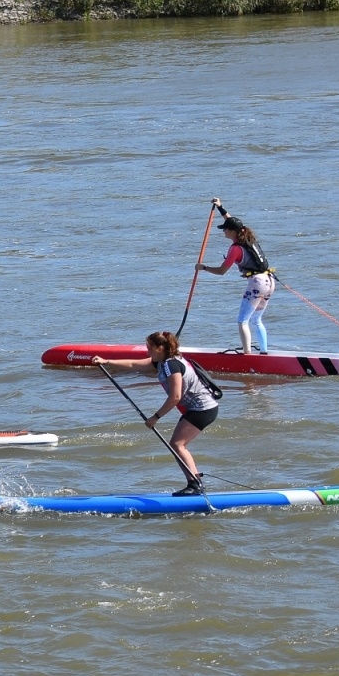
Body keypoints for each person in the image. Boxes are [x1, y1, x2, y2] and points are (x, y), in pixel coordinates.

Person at [93, 331, 219, 495]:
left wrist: (155, 417)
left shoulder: (171, 365)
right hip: (200, 408)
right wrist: (106, 361)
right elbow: (133, 364)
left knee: (177, 445)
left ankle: (195, 485)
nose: (147, 351)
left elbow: (175, 396)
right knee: (178, 445)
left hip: (202, 409)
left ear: (161, 348)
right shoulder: (163, 362)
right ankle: (195, 483)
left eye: (150, 348)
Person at [198, 198, 275, 354]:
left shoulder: (235, 249)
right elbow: (231, 221)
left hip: (257, 284)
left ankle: (247, 355)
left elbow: (221, 271)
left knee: (242, 321)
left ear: (233, 231)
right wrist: (220, 207)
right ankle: (264, 352)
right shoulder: (247, 237)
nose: (223, 231)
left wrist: (203, 267)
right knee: (256, 319)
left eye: (225, 229)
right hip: (270, 281)